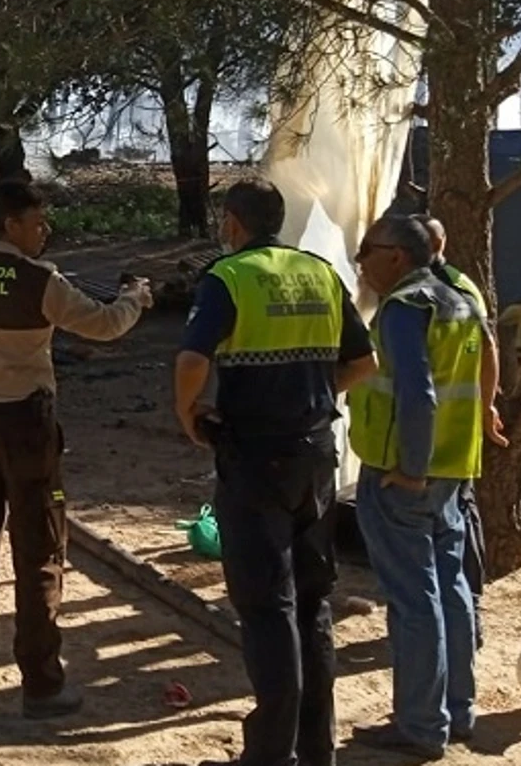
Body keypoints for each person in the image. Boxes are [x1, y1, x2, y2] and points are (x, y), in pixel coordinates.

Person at [0, 179, 154, 719]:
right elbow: (105, 326)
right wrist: (134, 298)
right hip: (26, 429)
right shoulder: (39, 281)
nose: (45, 232)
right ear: (10, 224)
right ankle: (41, 684)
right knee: (39, 554)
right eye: (38, 223)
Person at [173, 177, 376, 766]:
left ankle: (269, 754)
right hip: (316, 459)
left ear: (233, 223)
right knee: (313, 602)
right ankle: (317, 749)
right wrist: (314, 394)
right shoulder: (321, 274)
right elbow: (364, 362)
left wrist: (188, 413)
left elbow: (191, 360)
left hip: (255, 462)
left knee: (267, 607)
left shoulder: (229, 277)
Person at [346, 214, 490, 760]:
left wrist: (409, 468)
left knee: (413, 600)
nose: (361, 261)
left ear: (397, 256)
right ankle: (457, 711)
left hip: (405, 477)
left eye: (367, 251)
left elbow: (418, 393)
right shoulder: (459, 300)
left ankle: (422, 725)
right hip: (452, 471)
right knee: (451, 588)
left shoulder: (406, 307)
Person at [419, 215, 509, 649]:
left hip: (443, 435)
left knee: (451, 528)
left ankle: (463, 617)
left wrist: (486, 406)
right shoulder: (452, 286)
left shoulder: (442, 289)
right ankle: (461, 618)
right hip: (449, 432)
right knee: (454, 522)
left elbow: (488, 348)